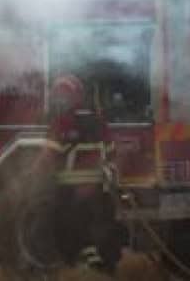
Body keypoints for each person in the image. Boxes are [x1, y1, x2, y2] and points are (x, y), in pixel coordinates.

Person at [36, 73, 118, 274]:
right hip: (99, 190)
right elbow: (111, 151)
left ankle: (73, 263)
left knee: (59, 226)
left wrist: (32, 177)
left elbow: (48, 158)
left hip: (69, 191)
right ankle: (100, 264)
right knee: (99, 231)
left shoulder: (62, 124)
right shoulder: (100, 122)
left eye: (59, 99)